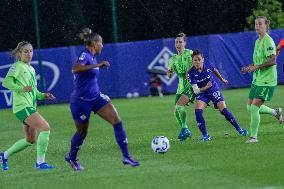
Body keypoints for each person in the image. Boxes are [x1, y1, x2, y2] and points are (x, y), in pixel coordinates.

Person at [65, 28, 139, 171]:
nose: (102, 45)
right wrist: (98, 65)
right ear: (94, 43)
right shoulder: (85, 55)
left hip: (96, 98)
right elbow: (75, 69)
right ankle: (72, 157)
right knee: (82, 133)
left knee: (117, 121)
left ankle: (126, 156)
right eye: (101, 42)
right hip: (80, 101)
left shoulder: (92, 56)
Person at [0, 41, 56, 170]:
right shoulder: (17, 66)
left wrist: (43, 95)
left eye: (31, 51)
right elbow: (6, 82)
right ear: (19, 54)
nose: (29, 54)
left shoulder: (31, 68)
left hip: (29, 106)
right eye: (25, 51)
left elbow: (34, 92)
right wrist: (21, 88)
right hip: (22, 107)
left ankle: (4, 155)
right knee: (45, 128)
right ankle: (40, 163)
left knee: (30, 140)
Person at [188, 50, 248, 141]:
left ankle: (240, 129)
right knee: (198, 111)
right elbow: (196, 91)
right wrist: (206, 87)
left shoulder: (207, 65)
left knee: (223, 110)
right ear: (192, 61)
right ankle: (205, 136)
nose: (197, 62)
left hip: (213, 89)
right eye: (195, 60)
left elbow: (214, 70)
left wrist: (222, 79)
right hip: (202, 92)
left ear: (203, 60)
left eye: (199, 59)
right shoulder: (191, 73)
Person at [241, 16, 283, 143]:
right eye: (256, 24)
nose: (257, 26)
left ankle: (253, 137)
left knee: (254, 108)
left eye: (260, 24)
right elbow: (258, 60)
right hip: (258, 79)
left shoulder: (268, 41)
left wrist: (257, 67)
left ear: (266, 26)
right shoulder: (258, 41)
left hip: (267, 80)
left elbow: (273, 60)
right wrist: (250, 67)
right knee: (249, 107)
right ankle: (275, 112)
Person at [167, 33, 195, 141]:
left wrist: (190, 70)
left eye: (180, 42)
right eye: (176, 42)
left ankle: (185, 129)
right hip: (180, 86)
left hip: (190, 85)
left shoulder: (190, 53)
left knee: (179, 107)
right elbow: (169, 74)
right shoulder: (172, 59)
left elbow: (197, 63)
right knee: (175, 111)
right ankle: (185, 130)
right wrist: (169, 72)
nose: (178, 44)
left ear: (185, 43)